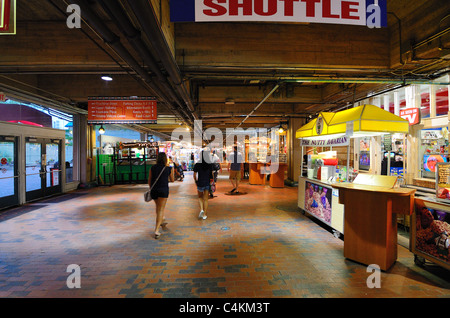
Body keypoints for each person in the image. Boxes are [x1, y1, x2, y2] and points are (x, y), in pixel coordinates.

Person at [148, 152, 174, 239]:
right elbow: (173, 180)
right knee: (160, 209)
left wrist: (151, 188)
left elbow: (149, 180)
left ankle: (162, 220)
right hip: (163, 190)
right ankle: (156, 230)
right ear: (165, 159)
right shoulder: (168, 168)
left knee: (158, 207)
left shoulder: (153, 168)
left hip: (154, 190)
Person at [193, 150, 213, 220]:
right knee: (206, 199)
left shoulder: (197, 164)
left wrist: (196, 181)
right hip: (207, 182)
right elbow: (212, 174)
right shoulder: (209, 164)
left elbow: (194, 174)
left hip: (200, 183)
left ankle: (201, 209)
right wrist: (212, 181)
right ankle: (204, 214)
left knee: (200, 197)